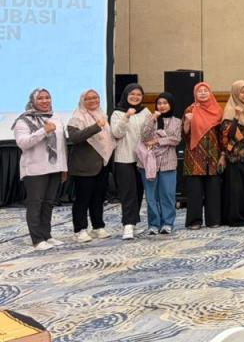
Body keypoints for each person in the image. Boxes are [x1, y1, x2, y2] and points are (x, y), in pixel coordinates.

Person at [13, 89, 68, 251]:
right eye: (40, 98)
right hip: (35, 169)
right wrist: (44, 131)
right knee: (35, 204)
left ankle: (47, 235)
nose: (45, 101)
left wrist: (64, 168)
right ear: (33, 101)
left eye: (47, 97)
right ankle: (37, 239)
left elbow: (61, 146)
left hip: (54, 167)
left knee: (48, 203)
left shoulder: (55, 117)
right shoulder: (24, 120)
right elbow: (23, 143)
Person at [65, 89, 114, 243]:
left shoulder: (102, 115)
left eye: (96, 97)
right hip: (84, 167)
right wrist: (95, 127)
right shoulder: (76, 118)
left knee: (98, 198)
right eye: (89, 98)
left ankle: (98, 227)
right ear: (82, 101)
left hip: (102, 165)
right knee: (82, 199)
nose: (93, 100)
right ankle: (79, 230)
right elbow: (74, 138)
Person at [135, 92, 181, 235]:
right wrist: (152, 119)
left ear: (170, 105)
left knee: (167, 195)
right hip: (149, 163)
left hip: (168, 163)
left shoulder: (176, 121)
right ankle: (154, 224)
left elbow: (176, 139)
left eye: (165, 103)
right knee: (151, 196)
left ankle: (167, 223)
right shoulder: (150, 119)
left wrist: (157, 141)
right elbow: (144, 136)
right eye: (159, 103)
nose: (162, 106)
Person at [111, 83, 149, 240]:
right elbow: (116, 133)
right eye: (132, 94)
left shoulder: (145, 111)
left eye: (138, 95)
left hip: (142, 159)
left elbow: (149, 132)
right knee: (128, 193)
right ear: (126, 95)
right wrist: (126, 116)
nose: (135, 97)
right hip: (124, 158)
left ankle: (133, 223)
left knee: (139, 191)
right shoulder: (117, 113)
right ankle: (127, 225)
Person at [183, 82, 223, 229]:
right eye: (200, 91)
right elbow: (184, 134)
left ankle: (213, 220)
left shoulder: (218, 110)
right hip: (194, 156)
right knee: (195, 191)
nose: (203, 93)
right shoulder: (190, 109)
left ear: (210, 92)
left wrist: (223, 155)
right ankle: (194, 221)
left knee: (213, 190)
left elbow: (222, 135)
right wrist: (187, 122)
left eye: (206, 90)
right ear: (195, 94)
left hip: (213, 155)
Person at [220, 80, 244, 227]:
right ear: (236, 93)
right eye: (242, 92)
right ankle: (235, 218)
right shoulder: (231, 109)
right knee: (236, 190)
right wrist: (236, 117)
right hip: (236, 157)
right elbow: (228, 135)